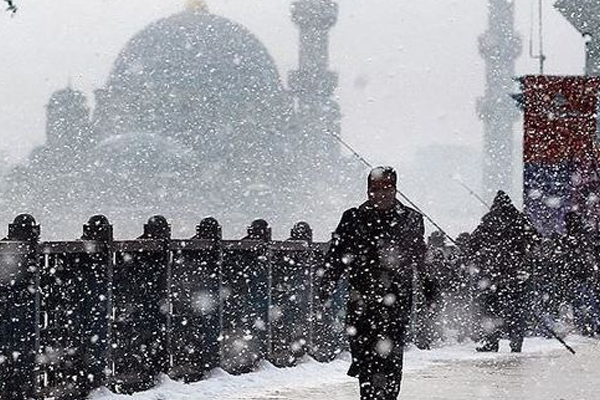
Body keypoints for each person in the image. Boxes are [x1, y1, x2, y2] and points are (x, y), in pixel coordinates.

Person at [318, 166, 429, 400]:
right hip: (362, 299)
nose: (379, 194)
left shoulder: (411, 219)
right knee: (364, 354)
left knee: (391, 356)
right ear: (368, 190)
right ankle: (368, 384)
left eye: (385, 188)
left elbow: (420, 255)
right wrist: (328, 282)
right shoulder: (353, 218)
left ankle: (386, 392)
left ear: (395, 190)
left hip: (396, 301)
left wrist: (428, 282)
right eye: (374, 189)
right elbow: (337, 255)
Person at [469, 190, 538, 353]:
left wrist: (483, 254)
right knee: (517, 310)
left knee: (490, 309)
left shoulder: (489, 221)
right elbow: (536, 239)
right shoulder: (521, 220)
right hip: (516, 274)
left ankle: (491, 342)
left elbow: (472, 243)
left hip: (494, 275)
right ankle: (516, 342)